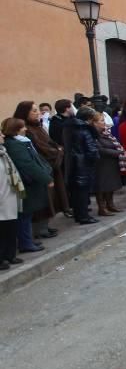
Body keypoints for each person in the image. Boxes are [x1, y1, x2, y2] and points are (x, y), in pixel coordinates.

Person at [13, 101, 65, 239]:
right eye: (34, 111)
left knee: (50, 199)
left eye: (37, 110)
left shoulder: (38, 127)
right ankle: (39, 229)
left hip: (49, 168)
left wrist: (57, 149)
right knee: (41, 200)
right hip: (42, 170)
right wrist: (56, 152)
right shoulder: (27, 130)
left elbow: (50, 142)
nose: (38, 113)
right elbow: (42, 149)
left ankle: (45, 226)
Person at [2, 118, 52, 254]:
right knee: (24, 214)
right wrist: (46, 178)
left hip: (28, 182)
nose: (25, 129)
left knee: (27, 214)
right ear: (16, 129)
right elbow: (28, 164)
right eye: (22, 127)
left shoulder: (21, 142)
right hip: (26, 183)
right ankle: (25, 243)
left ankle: (27, 239)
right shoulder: (15, 145)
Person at [66, 107, 100, 224]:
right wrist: (94, 158)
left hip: (73, 163)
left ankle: (79, 215)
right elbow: (91, 150)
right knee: (83, 192)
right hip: (83, 164)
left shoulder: (70, 128)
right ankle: (84, 216)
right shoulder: (84, 130)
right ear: (89, 119)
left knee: (76, 192)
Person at [92, 111, 126, 215]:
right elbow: (100, 149)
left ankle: (110, 205)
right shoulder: (93, 135)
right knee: (102, 186)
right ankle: (102, 208)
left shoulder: (106, 133)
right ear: (94, 123)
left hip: (111, 163)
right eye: (102, 121)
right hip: (102, 164)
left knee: (111, 186)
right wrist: (117, 152)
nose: (104, 123)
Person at [0, 133, 25, 269]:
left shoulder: (3, 153)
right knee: (2, 230)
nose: (2, 135)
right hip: (2, 199)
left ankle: (10, 255)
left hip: (10, 195)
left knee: (10, 227)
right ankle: (1, 258)